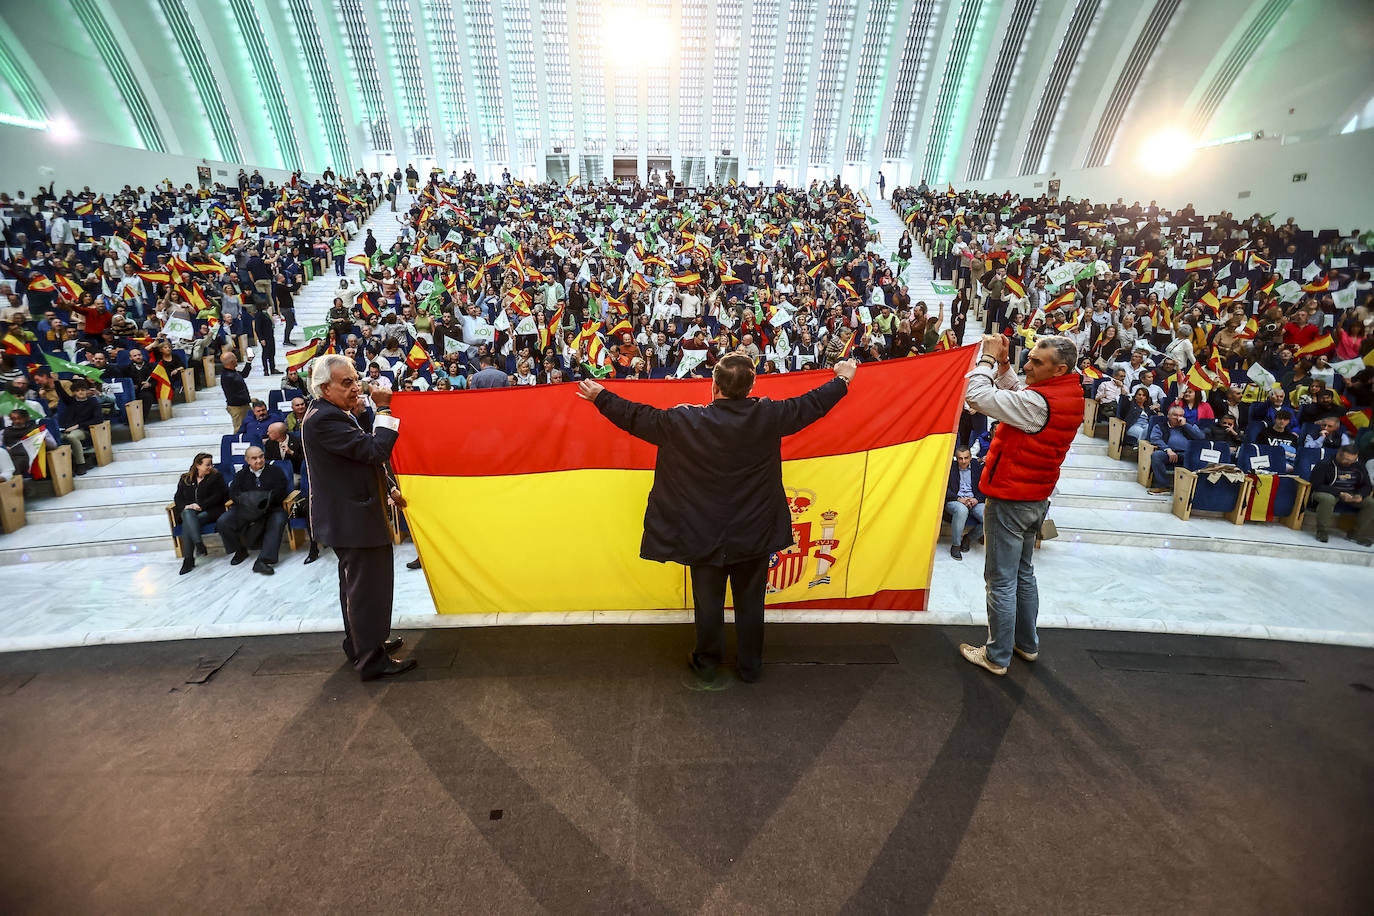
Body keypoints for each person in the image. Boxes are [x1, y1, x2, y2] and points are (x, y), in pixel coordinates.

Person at [578, 354, 857, 685]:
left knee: (708, 603)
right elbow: (813, 404)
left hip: (702, 532)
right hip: (754, 534)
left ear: (713, 386)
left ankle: (707, 662)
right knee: (751, 603)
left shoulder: (683, 421)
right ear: (752, 386)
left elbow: (636, 417)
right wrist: (843, 379)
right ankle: (750, 667)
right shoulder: (769, 415)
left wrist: (600, 397)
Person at [958, 334, 1082, 676]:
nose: (1027, 365)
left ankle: (996, 656)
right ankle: (1026, 644)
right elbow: (1022, 397)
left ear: (1059, 368)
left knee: (1000, 580)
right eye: (1028, 358)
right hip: (1034, 496)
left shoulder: (1040, 405)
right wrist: (1004, 367)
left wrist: (984, 360)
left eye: (1036, 363)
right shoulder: (1067, 393)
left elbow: (978, 396)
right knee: (1024, 574)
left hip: (1011, 498)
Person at [301, 353, 412, 680]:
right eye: (346, 382)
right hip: (353, 521)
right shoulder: (325, 419)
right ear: (324, 388)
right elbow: (374, 450)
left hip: (349, 518)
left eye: (355, 380)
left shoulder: (329, 412)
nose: (356, 388)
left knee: (356, 590)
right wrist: (385, 410)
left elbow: (360, 456)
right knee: (368, 592)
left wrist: (389, 487)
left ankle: (363, 645)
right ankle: (372, 661)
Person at [216, 445, 289, 576]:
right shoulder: (241, 475)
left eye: (261, 456)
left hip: (271, 508)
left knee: (278, 520)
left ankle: (263, 560)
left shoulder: (275, 471)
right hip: (246, 508)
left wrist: (263, 501)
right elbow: (233, 493)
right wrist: (249, 502)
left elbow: (281, 490)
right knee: (223, 521)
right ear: (247, 460)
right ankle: (240, 550)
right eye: (254, 458)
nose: (259, 460)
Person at [172, 452, 228, 575]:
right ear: (198, 465)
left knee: (189, 522)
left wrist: (201, 505)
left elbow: (219, 495)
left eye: (211, 464)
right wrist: (186, 506)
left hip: (210, 510)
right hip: (189, 511)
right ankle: (198, 543)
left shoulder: (216, 477)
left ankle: (188, 560)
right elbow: (178, 497)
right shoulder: (185, 478)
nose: (211, 467)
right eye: (207, 464)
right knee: (187, 514)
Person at [1310, 445, 1373, 545]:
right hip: (1328, 493)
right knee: (1328, 499)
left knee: (1370, 502)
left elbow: (1367, 485)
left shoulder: (1358, 466)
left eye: (1353, 460)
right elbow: (1317, 485)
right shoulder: (1324, 464)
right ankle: (1321, 531)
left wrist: (1360, 495)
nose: (1350, 463)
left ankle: (1355, 534)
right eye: (1347, 459)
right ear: (1339, 455)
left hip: (1351, 495)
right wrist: (1339, 493)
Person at [1147, 405, 1205, 491]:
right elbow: (1155, 438)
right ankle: (1163, 486)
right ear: (1168, 416)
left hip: (1187, 454)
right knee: (1156, 456)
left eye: (1181, 415)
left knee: (1197, 458)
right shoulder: (1160, 426)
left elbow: (1201, 437)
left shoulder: (1189, 425)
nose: (1178, 418)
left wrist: (1185, 425)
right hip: (1170, 453)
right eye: (1175, 415)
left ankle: (1190, 489)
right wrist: (1167, 449)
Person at [945, 446, 985, 560]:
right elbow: (944, 489)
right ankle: (956, 546)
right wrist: (958, 499)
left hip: (974, 501)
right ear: (956, 458)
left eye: (966, 458)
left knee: (988, 516)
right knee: (962, 510)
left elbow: (985, 487)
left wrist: (977, 499)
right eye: (960, 458)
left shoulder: (978, 467)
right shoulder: (950, 467)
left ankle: (968, 538)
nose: (963, 461)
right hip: (955, 500)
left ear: (971, 457)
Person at [220, 350, 253, 432]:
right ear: (231, 362)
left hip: (243, 404)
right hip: (237, 408)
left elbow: (243, 374)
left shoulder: (232, 372)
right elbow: (233, 396)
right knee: (239, 428)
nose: (237, 360)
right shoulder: (227, 377)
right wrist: (247, 399)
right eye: (235, 359)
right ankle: (238, 444)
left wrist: (249, 362)